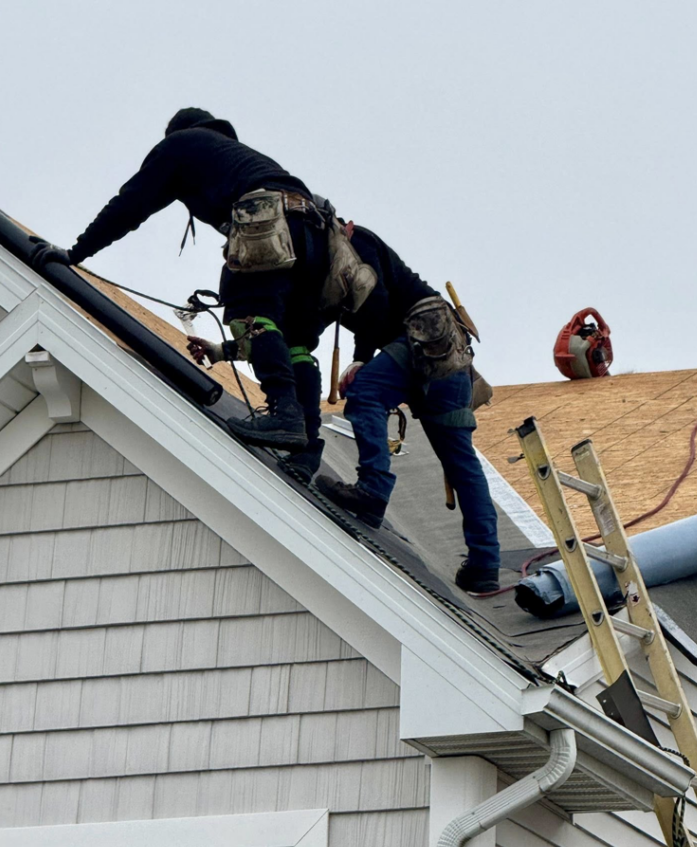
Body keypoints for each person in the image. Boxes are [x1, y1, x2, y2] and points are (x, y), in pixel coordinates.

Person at [30, 107, 327, 459]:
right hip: (318, 235)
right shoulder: (236, 156)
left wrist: (76, 252)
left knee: (249, 311)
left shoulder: (182, 145)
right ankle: (306, 452)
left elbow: (131, 204)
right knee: (293, 340)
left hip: (267, 219)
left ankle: (284, 413)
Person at [315, 225, 501, 594]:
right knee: (460, 462)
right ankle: (485, 563)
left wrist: (359, 359)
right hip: (449, 358)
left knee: (366, 392)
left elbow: (378, 302)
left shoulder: (353, 242)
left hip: (426, 334)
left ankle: (373, 490)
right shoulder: (333, 259)